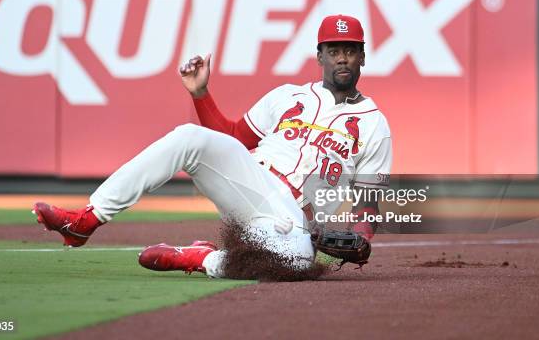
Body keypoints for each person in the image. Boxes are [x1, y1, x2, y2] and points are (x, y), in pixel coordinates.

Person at [33, 15, 392, 278]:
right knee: (190, 136)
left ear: (362, 57)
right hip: (251, 179)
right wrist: (201, 94)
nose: (342, 57)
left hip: (290, 216)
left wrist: (360, 240)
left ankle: (200, 258)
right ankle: (85, 220)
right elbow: (233, 140)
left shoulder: (375, 124)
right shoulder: (288, 96)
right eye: (334, 50)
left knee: (297, 262)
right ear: (320, 56)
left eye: (350, 50)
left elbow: (368, 203)